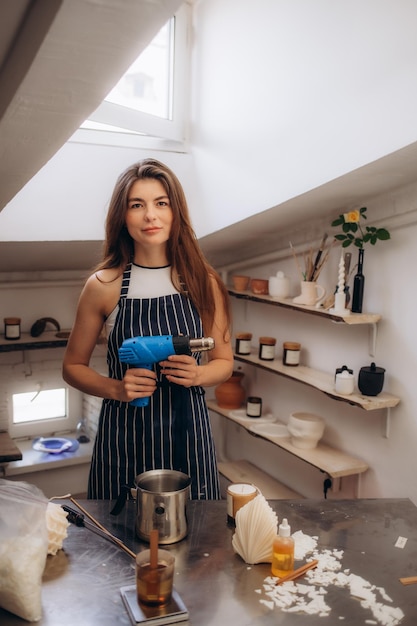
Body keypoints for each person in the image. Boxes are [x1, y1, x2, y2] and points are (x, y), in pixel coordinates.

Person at [62, 158, 234, 500]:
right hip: (123, 436)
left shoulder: (204, 282)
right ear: (123, 217)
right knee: (119, 541)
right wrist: (117, 389)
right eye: (136, 205)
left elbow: (224, 362)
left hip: (188, 433)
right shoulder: (103, 285)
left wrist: (198, 376)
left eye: (161, 203)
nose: (150, 215)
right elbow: (72, 367)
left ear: (176, 212)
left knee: (195, 538)